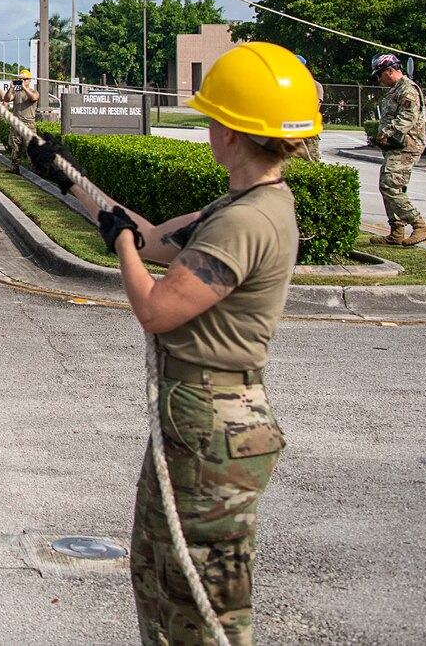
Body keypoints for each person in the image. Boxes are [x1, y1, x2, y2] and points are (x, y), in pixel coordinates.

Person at [77, 42, 314, 646]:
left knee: (201, 597)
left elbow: (157, 308)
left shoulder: (246, 221)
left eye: (213, 118)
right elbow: (156, 239)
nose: (208, 127)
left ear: (233, 133)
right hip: (196, 417)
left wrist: (122, 248)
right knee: (159, 573)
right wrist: (71, 179)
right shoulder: (246, 203)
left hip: (216, 425)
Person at [371, 53, 426, 245]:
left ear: (390, 71)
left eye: (379, 74)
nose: (378, 79)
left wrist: (386, 133)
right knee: (392, 185)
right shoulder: (396, 89)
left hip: (406, 146)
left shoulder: (407, 89)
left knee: (389, 185)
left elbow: (408, 117)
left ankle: (419, 224)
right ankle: (396, 232)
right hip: (396, 145)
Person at [8, 69, 41, 134]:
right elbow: (7, 99)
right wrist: (11, 89)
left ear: (29, 80)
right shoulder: (16, 92)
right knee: (15, 143)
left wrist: (24, 88)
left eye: (24, 79)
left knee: (29, 144)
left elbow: (34, 98)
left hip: (28, 124)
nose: (22, 81)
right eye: (21, 80)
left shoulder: (34, 92)